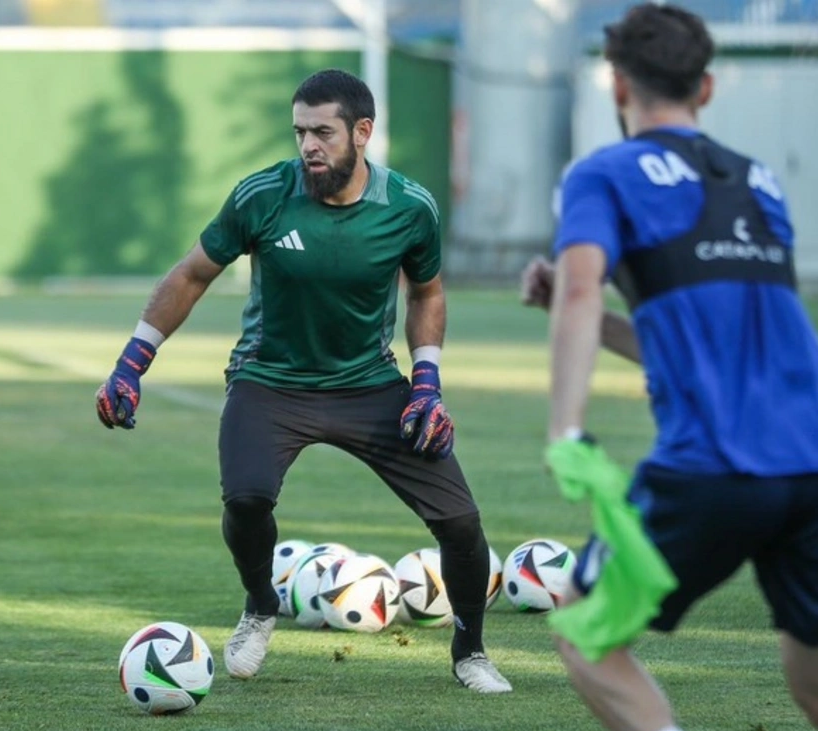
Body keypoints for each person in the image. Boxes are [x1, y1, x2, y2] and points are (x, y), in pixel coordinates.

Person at [96, 68, 511, 694]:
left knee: (460, 522)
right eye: (300, 132)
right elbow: (190, 275)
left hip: (371, 387)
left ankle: (470, 652)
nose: (308, 146)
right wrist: (132, 362)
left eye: (323, 132)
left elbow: (426, 291)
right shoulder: (261, 196)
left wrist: (427, 382)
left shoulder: (410, 208)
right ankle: (261, 605)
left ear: (362, 133)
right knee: (246, 500)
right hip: (270, 382)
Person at [523, 4, 818, 731]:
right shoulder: (760, 182)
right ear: (705, 88)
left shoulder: (601, 173)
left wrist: (566, 431)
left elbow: (580, 288)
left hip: (718, 466)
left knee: (585, 627)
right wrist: (583, 316)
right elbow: (713, 345)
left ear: (616, 87)